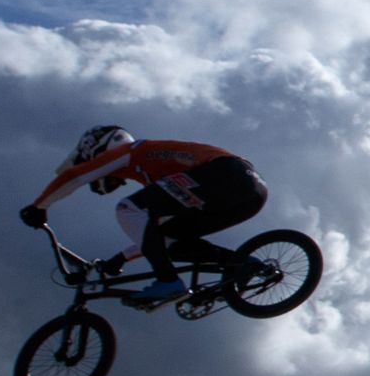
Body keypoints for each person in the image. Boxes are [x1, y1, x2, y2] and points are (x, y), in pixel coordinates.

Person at [19, 126, 268, 306]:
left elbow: (74, 176)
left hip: (224, 173)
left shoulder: (132, 152)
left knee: (127, 208)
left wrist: (40, 205)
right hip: (251, 194)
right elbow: (153, 234)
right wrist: (121, 258)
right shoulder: (160, 177)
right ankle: (243, 264)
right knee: (171, 242)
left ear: (99, 149)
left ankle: (168, 281)